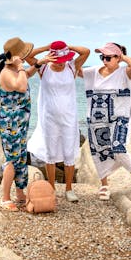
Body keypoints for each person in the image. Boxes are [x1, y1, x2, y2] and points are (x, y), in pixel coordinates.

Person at [81, 42, 131, 200]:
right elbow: (76, 72)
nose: (104, 60)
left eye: (109, 57)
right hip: (97, 119)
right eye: (102, 56)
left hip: (120, 116)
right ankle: (104, 185)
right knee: (99, 150)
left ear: (118, 58)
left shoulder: (126, 72)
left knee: (118, 146)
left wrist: (121, 56)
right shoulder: (94, 71)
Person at [26, 40, 90, 202]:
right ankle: (52, 188)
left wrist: (68, 47)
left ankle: (69, 189)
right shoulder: (44, 68)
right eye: (59, 60)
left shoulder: (71, 67)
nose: (62, 64)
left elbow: (86, 51)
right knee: (50, 154)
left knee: (69, 153)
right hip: (49, 119)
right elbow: (28, 56)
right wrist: (48, 49)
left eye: (64, 59)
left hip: (69, 118)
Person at [0, 37, 40, 211]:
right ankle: (5, 198)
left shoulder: (16, 70)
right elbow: (21, 87)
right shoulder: (7, 72)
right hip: (10, 123)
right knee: (12, 160)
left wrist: (36, 65)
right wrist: (21, 67)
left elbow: (26, 76)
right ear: (15, 58)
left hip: (20, 123)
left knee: (21, 157)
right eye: (22, 57)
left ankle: (20, 193)